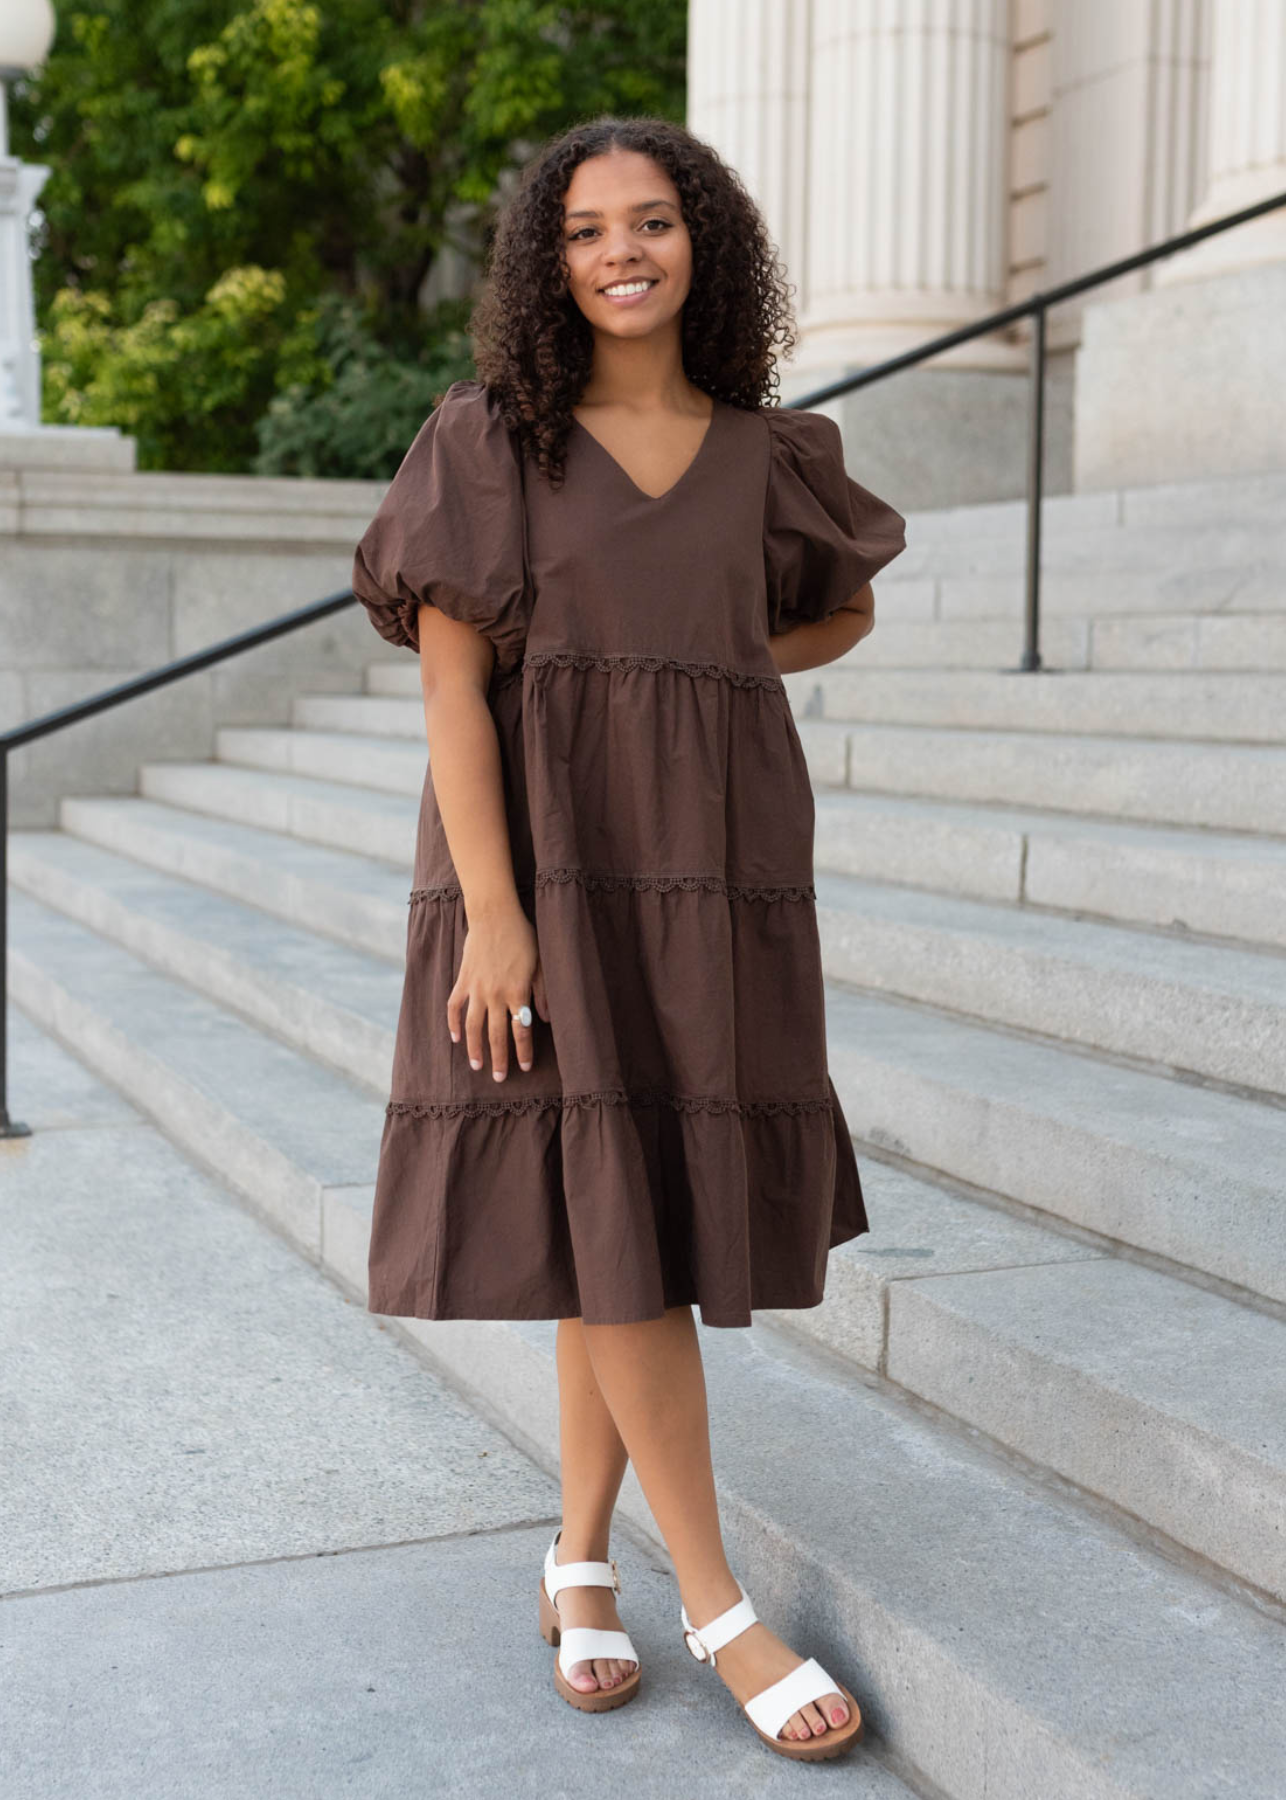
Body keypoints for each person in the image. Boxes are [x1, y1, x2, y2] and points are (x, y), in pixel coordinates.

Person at [350, 115, 907, 1762]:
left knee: (630, 1219)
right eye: (586, 229)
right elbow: (453, 687)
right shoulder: (488, 441)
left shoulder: (766, 451)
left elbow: (841, 606)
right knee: (613, 1214)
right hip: (545, 878)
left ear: (700, 244)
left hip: (715, 869)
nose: (620, 252)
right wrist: (496, 919)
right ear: (549, 260)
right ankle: (717, 1603)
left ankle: (578, 1562)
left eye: (651, 222)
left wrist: (711, 663)